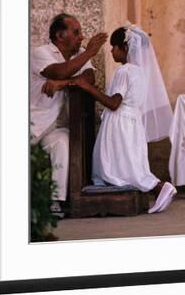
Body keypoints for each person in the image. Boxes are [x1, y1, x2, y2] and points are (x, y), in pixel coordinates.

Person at [70, 25, 176, 214]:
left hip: (119, 124)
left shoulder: (124, 71)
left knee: (124, 166)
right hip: (133, 123)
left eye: (114, 47)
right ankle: (156, 187)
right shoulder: (141, 72)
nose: (111, 51)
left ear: (125, 48)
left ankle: (160, 186)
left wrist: (87, 87)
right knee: (130, 163)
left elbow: (113, 103)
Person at [30, 13, 107, 218]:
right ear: (59, 35)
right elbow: (58, 72)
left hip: (57, 124)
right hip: (34, 123)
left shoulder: (79, 54)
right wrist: (90, 52)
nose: (81, 37)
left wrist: (62, 84)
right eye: (76, 32)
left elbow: (89, 77)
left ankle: (56, 201)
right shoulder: (40, 53)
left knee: (63, 144)